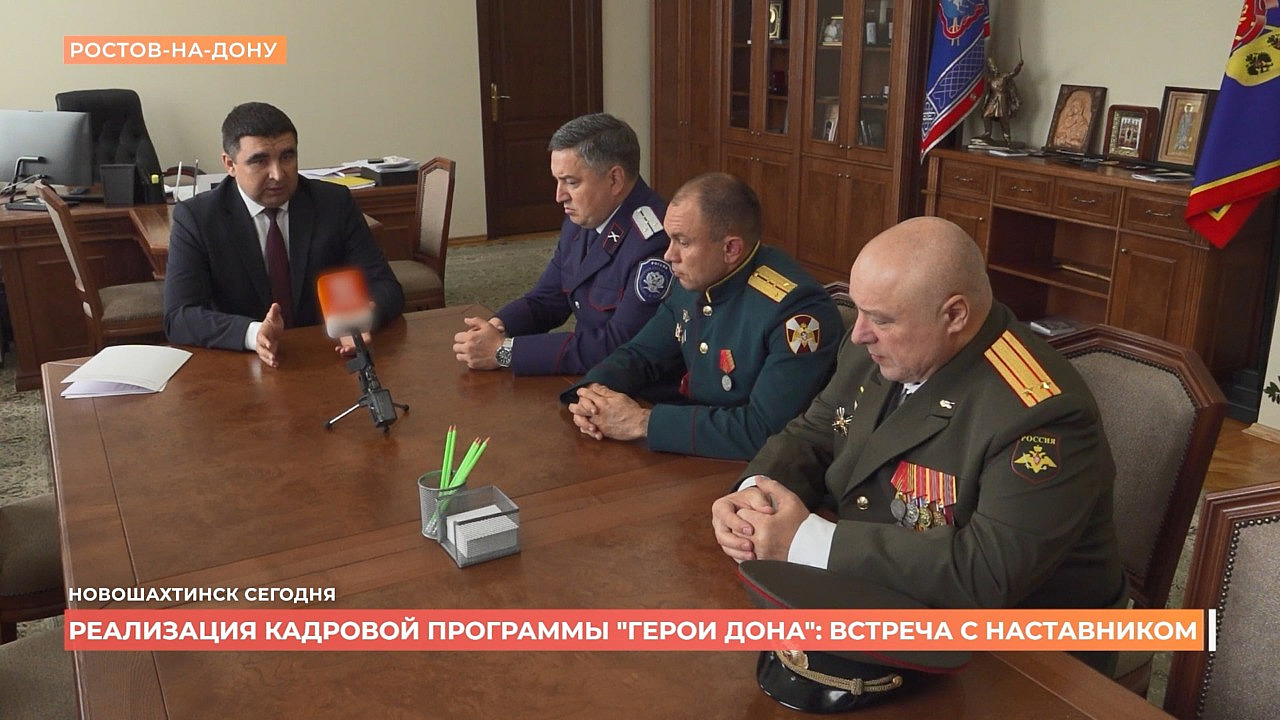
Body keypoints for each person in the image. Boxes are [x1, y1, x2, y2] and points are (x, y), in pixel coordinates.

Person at [711, 216, 1125, 669]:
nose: (859, 333)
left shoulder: (1043, 413)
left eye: (881, 319)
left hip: (1024, 655)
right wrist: (754, 498)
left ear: (955, 315)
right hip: (885, 597)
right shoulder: (881, 347)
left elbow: (988, 572)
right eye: (860, 310)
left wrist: (807, 541)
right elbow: (814, 433)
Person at [562, 172, 841, 461]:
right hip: (698, 449)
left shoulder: (796, 311)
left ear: (731, 249)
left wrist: (642, 422)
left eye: (682, 242)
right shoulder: (698, 277)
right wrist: (593, 395)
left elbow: (764, 430)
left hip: (752, 470)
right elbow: (642, 354)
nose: (669, 255)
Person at [164, 102, 403, 367]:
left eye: (287, 157)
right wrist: (253, 334)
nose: (278, 174)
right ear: (230, 164)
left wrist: (362, 320)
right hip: (241, 364)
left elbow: (386, 287)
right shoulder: (197, 218)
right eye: (260, 161)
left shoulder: (333, 203)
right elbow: (179, 316)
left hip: (327, 354)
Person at [451, 113, 671, 375]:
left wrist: (505, 351)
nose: (559, 196)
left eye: (571, 182)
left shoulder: (654, 242)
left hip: (629, 384)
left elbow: (620, 344)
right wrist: (499, 326)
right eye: (557, 180)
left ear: (615, 179)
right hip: (586, 372)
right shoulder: (583, 219)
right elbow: (548, 298)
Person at [979, 56, 1023, 143]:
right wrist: (984, 105)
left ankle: (1007, 137)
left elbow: (1013, 73)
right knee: (986, 115)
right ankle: (987, 133)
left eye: (994, 66)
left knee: (1004, 118)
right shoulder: (990, 79)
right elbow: (988, 93)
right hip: (993, 99)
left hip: (1002, 98)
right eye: (991, 67)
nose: (993, 68)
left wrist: (1019, 66)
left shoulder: (1004, 76)